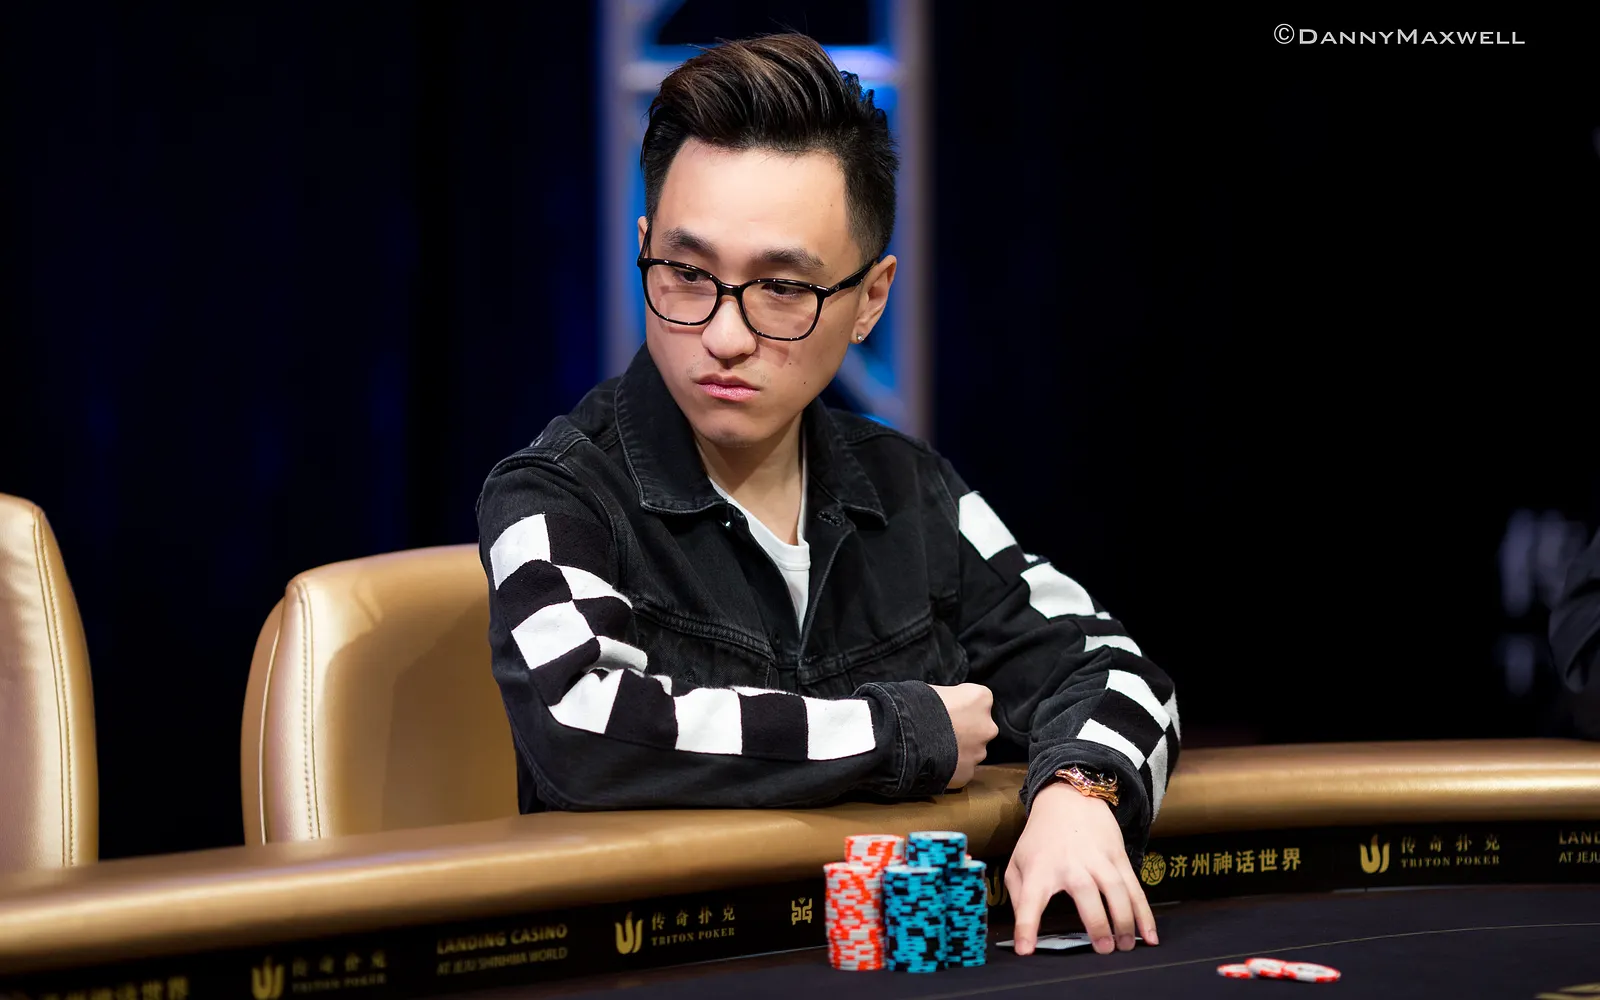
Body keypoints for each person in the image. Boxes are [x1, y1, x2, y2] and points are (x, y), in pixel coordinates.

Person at [475, 32, 1180, 957]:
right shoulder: (553, 493)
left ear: (870, 299)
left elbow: (1116, 669)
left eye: (780, 288)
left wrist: (1082, 791)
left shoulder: (911, 489)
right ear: (642, 251)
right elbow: (586, 725)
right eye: (686, 274)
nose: (725, 335)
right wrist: (901, 731)